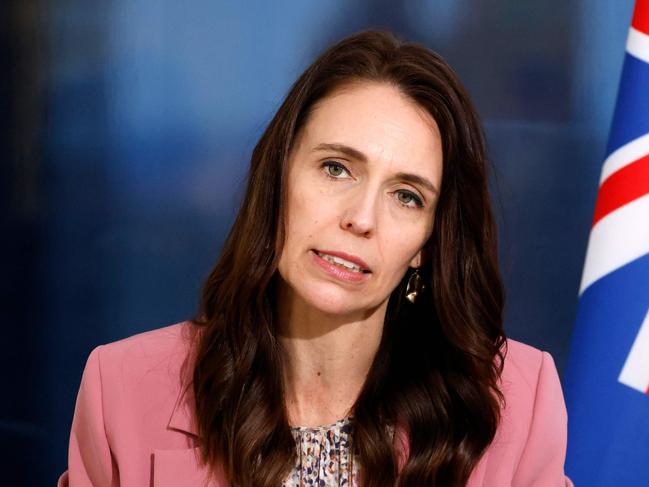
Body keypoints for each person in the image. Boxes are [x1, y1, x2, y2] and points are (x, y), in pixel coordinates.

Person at [58, 30, 573, 486]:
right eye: (336, 168)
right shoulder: (121, 389)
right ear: (279, 178)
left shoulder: (517, 407)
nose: (362, 218)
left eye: (407, 196)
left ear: (427, 246)